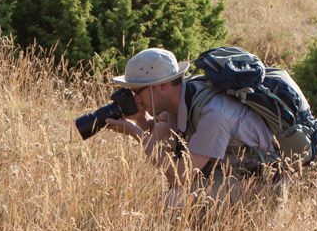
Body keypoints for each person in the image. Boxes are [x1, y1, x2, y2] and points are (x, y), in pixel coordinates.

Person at [105, 47, 282, 204]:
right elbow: (160, 136)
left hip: (260, 183)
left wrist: (135, 133)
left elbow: (179, 176)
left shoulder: (213, 114)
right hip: (227, 171)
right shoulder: (185, 94)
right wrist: (140, 120)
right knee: (163, 132)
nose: (135, 99)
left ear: (163, 86)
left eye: (137, 91)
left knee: (173, 201)